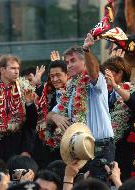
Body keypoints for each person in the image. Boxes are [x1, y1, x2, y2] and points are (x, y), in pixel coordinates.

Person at [48, 33, 114, 182]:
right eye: (67, 62)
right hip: (78, 148)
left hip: (100, 146)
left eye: (73, 61)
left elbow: (93, 72)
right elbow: (48, 116)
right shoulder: (70, 87)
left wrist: (87, 51)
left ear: (84, 61)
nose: (69, 65)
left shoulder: (98, 81)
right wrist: (55, 116)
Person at [0, 55, 37, 162]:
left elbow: (31, 124)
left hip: (18, 146)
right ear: (2, 70)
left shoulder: (25, 88)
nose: (17, 71)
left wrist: (29, 103)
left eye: (18, 68)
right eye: (13, 68)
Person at [33, 59, 67, 169]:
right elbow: (40, 117)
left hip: (69, 148)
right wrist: (52, 116)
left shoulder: (76, 92)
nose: (55, 79)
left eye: (58, 75)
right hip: (47, 150)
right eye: (52, 76)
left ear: (67, 74)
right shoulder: (46, 92)